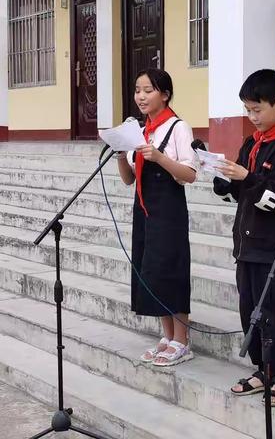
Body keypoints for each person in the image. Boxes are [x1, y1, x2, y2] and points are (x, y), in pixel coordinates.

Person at [213, 69, 275, 407]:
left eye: (257, 110)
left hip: (273, 243)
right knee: (249, 306)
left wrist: (246, 178)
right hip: (246, 243)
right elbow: (244, 191)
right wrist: (223, 179)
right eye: (247, 110)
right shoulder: (253, 142)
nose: (252, 118)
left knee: (273, 308)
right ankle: (260, 368)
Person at [117, 68, 197, 367]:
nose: (141, 96)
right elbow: (128, 179)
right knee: (152, 269)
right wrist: (119, 152)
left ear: (164, 94)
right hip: (144, 209)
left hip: (169, 211)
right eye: (137, 90)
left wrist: (161, 158)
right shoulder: (139, 131)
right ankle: (167, 336)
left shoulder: (178, 127)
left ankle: (182, 340)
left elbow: (190, 175)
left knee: (172, 270)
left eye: (148, 90)